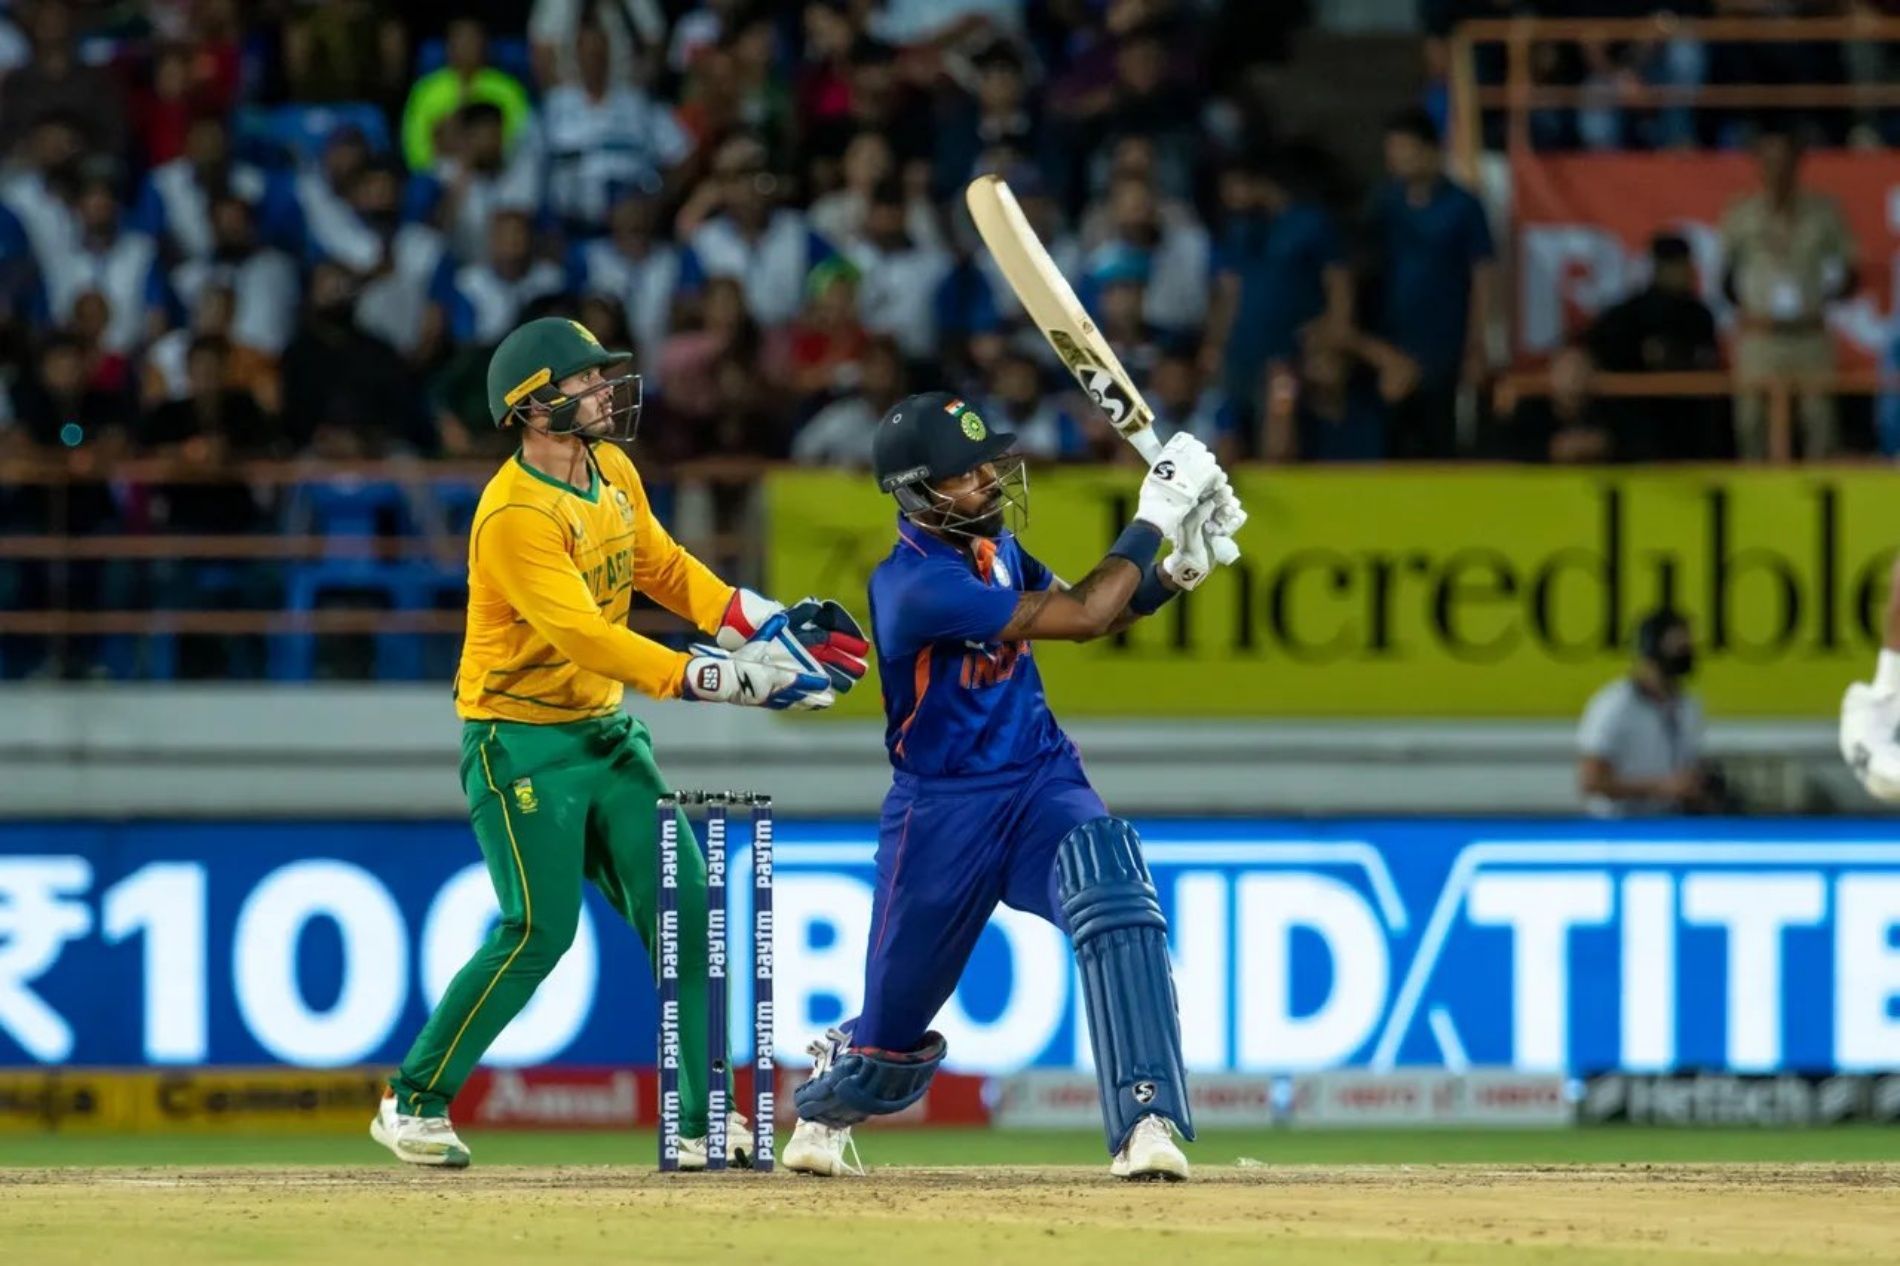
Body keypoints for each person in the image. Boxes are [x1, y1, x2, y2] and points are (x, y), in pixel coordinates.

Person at [371, 316, 869, 1170]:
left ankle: (697, 1120)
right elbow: (588, 641)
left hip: (603, 734)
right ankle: (412, 1101)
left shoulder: (612, 469)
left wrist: (761, 624)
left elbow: (665, 569)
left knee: (689, 907)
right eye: (586, 381)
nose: (606, 391)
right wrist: (724, 679)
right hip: (518, 742)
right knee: (539, 930)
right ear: (534, 407)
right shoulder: (513, 517)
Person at [779, 396, 1244, 1182]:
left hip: (1038, 780)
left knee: (1116, 892)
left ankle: (1146, 1118)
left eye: (989, 465)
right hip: (942, 813)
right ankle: (835, 1082)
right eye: (968, 476)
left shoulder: (997, 552)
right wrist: (1157, 509)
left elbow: (1096, 610)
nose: (991, 482)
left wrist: (1174, 570)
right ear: (920, 492)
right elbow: (1090, 613)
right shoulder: (913, 587)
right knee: (889, 1048)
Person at [1720, 125, 1856, 460]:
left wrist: (1824, 301)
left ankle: (1819, 495)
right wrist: (1750, 310)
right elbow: (1725, 276)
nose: (1777, 170)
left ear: (1797, 163)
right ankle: (1756, 494)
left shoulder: (1824, 212)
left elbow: (1849, 269)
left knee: (1819, 419)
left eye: (1784, 161)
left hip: (1808, 333)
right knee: (1751, 419)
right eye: (1768, 162)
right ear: (1757, 165)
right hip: (1760, 336)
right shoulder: (1740, 214)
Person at [1369, 108, 1495, 460]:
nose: (1397, 159)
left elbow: (1483, 273)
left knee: (1438, 435)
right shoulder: (1385, 204)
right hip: (1393, 340)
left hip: (1444, 341)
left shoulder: (1464, 206)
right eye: (1392, 151)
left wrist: (1476, 340)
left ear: (1430, 150)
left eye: (1404, 149)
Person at [1577, 610, 1709, 819]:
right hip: (1617, 826)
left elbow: (1689, 769)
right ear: (1652, 648)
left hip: (1669, 823)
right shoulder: (1615, 705)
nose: (1687, 652)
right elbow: (1592, 781)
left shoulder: (1688, 705)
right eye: (1678, 646)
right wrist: (1661, 788)